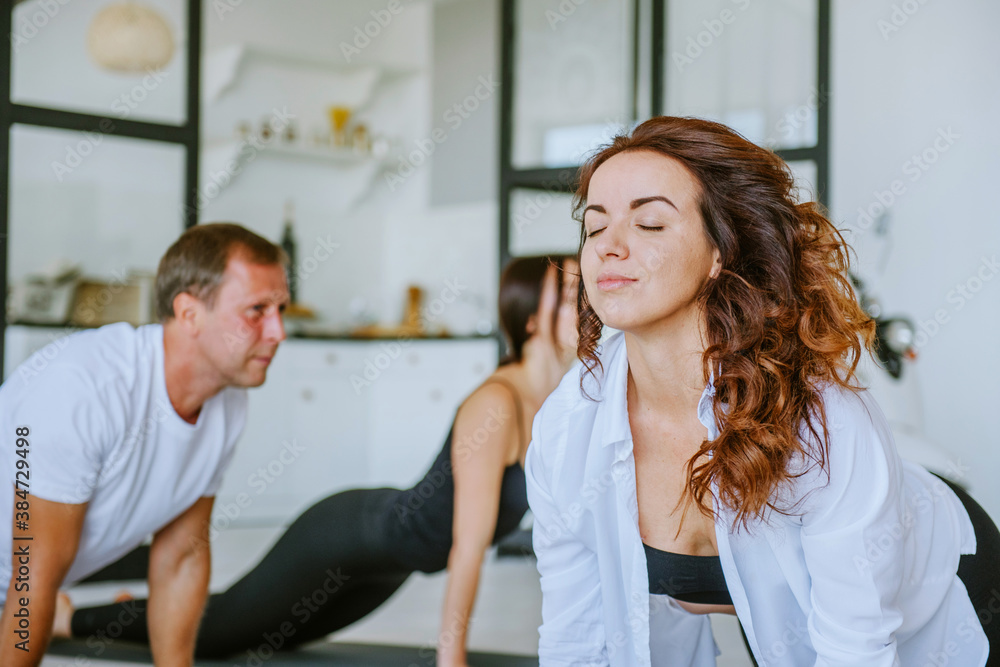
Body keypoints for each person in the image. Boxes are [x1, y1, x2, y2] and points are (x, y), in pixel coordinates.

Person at [526, 116, 1000, 666]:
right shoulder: (567, 429)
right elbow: (575, 639)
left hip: (944, 592)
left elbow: (855, 652)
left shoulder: (820, 421)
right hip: (788, 620)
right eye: (594, 227)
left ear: (719, 254)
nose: (609, 246)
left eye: (650, 223)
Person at [60, 255, 581, 666]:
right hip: (347, 538)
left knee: (276, 642)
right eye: (572, 296)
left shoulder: (555, 403)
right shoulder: (496, 405)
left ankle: (128, 609)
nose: (588, 306)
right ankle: (71, 620)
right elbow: (468, 547)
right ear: (531, 317)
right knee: (218, 632)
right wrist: (452, 658)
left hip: (393, 565)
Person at [0, 223, 289, 667]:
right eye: (256, 310)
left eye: (280, 309)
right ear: (189, 314)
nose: (278, 332)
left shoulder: (227, 402)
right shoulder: (85, 390)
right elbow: (33, 577)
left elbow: (181, 555)